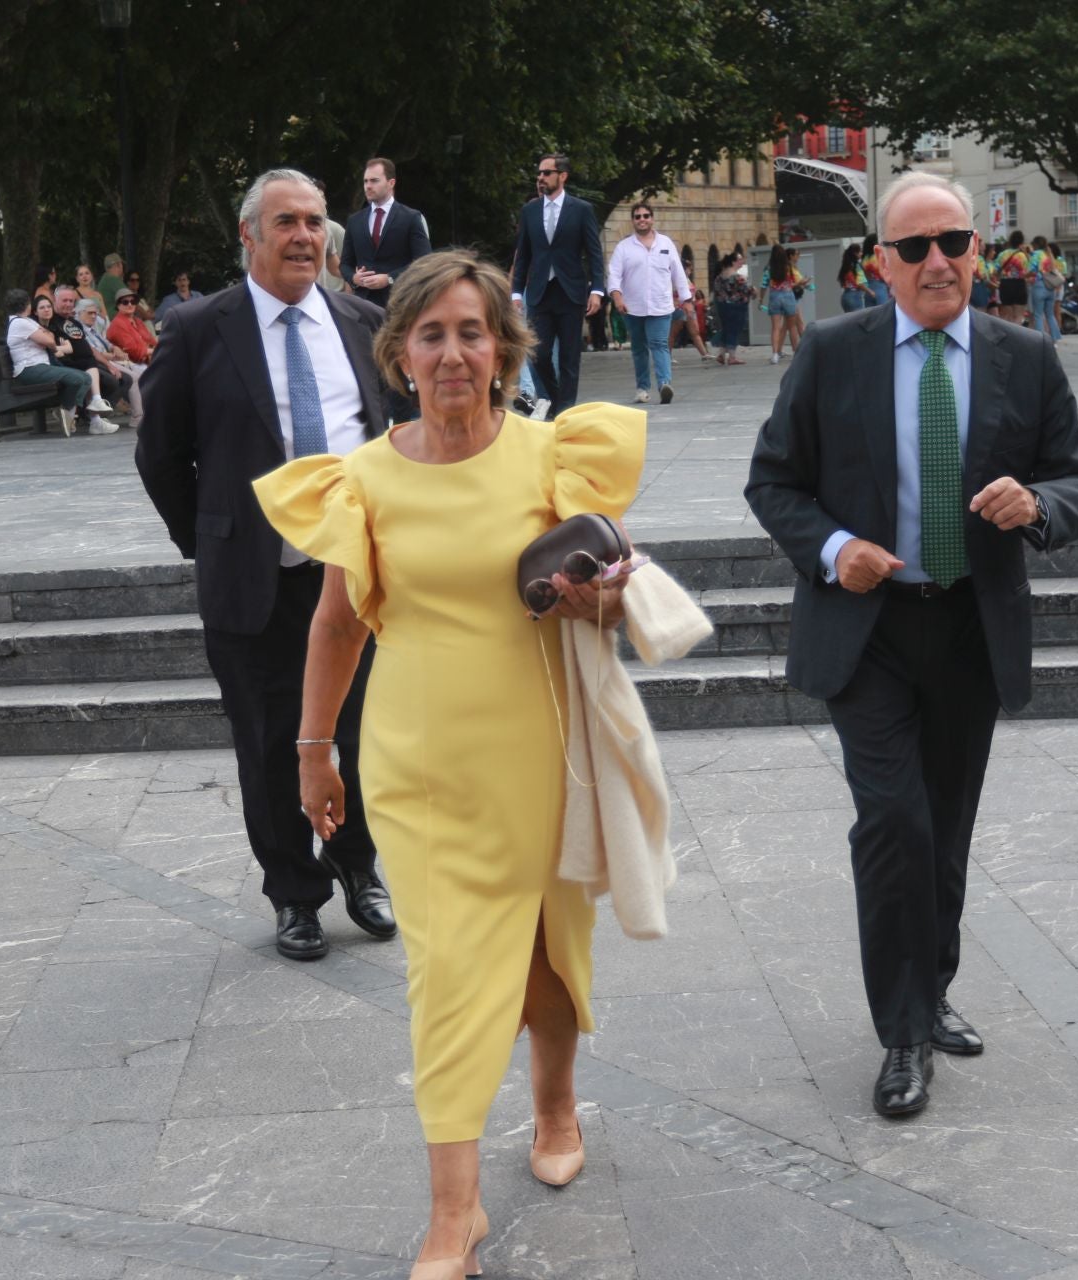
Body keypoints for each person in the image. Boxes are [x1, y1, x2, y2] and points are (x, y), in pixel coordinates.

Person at [252, 250, 640, 1279]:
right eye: (433, 334)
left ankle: (555, 1105)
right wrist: (312, 751)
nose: (455, 353)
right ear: (402, 354)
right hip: (418, 766)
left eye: (474, 332)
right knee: (447, 977)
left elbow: (618, 603)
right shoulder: (364, 478)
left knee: (546, 949)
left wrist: (599, 597)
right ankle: (453, 1214)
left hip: (539, 749)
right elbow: (337, 625)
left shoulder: (553, 455)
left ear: (503, 349)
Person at [745, 170, 1078, 1120]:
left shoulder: (1026, 357)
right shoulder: (832, 352)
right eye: (914, 248)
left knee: (944, 830)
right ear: (882, 264)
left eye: (952, 242)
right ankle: (902, 1033)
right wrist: (837, 549)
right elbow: (773, 481)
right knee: (894, 825)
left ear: (977, 252)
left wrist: (1039, 505)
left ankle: (931, 987)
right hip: (866, 630)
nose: (936, 261)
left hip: (969, 626)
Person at [138, 168, 396, 962]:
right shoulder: (198, 328)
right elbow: (160, 454)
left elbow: (393, 434)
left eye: (315, 222)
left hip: (356, 577)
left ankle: (358, 865)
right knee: (269, 739)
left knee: (364, 732)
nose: (304, 237)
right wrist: (212, 538)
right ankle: (294, 892)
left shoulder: (363, 321)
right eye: (286, 222)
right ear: (249, 235)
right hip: (255, 580)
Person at [510, 153, 605, 415]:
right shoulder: (530, 211)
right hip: (539, 291)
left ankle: (565, 410)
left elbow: (594, 253)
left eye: (546, 173)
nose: (541, 177)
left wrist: (597, 289)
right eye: (539, 173)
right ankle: (555, 399)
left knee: (569, 357)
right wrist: (516, 292)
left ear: (562, 176)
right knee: (538, 353)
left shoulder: (581, 209)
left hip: (570, 291)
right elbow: (523, 254)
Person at [606, 201, 691, 403]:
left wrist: (686, 299)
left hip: (661, 306)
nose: (642, 220)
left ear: (652, 219)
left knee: (660, 344)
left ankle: (664, 385)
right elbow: (614, 275)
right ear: (633, 221)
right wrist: (617, 298)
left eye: (646, 216)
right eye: (638, 217)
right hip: (632, 307)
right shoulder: (624, 247)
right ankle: (642, 388)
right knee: (639, 348)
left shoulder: (666, 244)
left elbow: (678, 273)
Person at [340, 158, 430, 310]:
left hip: (399, 303)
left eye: (374, 181)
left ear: (391, 183)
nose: (368, 186)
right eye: (365, 181)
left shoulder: (410, 217)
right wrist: (354, 278)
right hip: (363, 306)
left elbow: (424, 262)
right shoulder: (355, 221)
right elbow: (345, 264)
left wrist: (389, 278)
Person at [3, 288, 90, 436]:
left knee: (85, 378)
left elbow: (49, 336)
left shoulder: (27, 321)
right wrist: (51, 344)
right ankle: (67, 413)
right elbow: (50, 341)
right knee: (77, 379)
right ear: (28, 305)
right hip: (29, 369)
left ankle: (67, 416)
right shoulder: (20, 323)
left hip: (40, 367)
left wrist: (47, 340)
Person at [52, 286, 127, 433]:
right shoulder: (51, 321)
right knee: (90, 370)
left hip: (85, 363)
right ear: (55, 301)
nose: (68, 304)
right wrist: (62, 349)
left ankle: (94, 417)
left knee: (93, 368)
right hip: (65, 365)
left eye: (71, 301)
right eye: (64, 300)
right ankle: (92, 415)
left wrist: (108, 364)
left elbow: (88, 348)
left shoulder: (74, 323)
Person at [75, 296, 144, 430]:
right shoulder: (79, 330)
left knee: (141, 373)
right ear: (79, 313)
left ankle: (143, 412)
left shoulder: (92, 329)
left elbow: (106, 343)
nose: (94, 316)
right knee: (133, 377)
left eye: (95, 313)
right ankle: (138, 416)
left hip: (109, 360)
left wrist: (115, 348)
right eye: (90, 313)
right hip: (98, 363)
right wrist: (112, 357)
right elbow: (92, 351)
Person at [760, 242, 809, 363]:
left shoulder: (768, 268)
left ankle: (775, 355)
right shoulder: (788, 267)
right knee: (792, 327)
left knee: (775, 327)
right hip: (788, 296)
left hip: (774, 297)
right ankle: (796, 352)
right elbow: (792, 283)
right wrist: (802, 283)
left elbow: (764, 285)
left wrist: (760, 299)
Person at [711, 251, 753, 365]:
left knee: (726, 329)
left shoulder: (719, 277)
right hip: (736, 307)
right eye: (740, 259)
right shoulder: (737, 277)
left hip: (722, 307)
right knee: (734, 330)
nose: (742, 261)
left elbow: (716, 292)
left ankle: (721, 354)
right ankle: (732, 357)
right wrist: (754, 291)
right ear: (733, 262)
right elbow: (747, 290)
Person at [671, 255, 713, 360]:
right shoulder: (675, 280)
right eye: (689, 269)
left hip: (689, 309)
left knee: (695, 332)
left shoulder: (687, 280)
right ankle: (667, 356)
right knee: (673, 333)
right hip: (680, 308)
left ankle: (704, 354)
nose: (690, 271)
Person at [106, 290, 156, 365]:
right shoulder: (117, 324)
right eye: (125, 302)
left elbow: (152, 341)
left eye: (133, 302)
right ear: (118, 306)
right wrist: (156, 351)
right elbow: (134, 351)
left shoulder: (138, 321)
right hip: (131, 364)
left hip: (148, 361)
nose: (130, 304)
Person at [994, 230, 1032, 328]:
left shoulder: (1003, 254)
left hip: (1005, 284)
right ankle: (1017, 335)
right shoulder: (1022, 256)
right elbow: (1030, 270)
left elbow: (994, 271)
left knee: (1007, 315)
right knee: (1019, 315)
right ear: (1021, 242)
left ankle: (1009, 335)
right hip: (1019, 284)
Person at [1027, 235, 1061, 342]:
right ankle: (1055, 339)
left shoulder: (1036, 254)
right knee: (1050, 314)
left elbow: (1032, 269)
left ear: (1035, 244)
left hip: (1039, 285)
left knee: (1038, 314)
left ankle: (1041, 340)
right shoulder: (1049, 254)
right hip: (1050, 287)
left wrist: (1025, 275)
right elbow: (1054, 269)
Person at [840, 243, 875, 312]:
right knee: (859, 317)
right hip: (855, 296)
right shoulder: (856, 266)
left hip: (845, 296)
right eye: (860, 252)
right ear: (855, 253)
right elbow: (859, 283)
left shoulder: (846, 266)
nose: (861, 253)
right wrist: (870, 291)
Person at [861, 232, 890, 305]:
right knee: (883, 310)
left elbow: (866, 275)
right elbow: (882, 273)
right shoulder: (877, 257)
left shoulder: (865, 259)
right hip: (880, 286)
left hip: (869, 287)